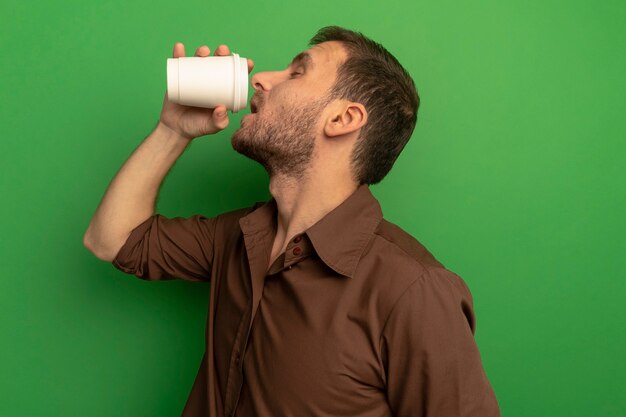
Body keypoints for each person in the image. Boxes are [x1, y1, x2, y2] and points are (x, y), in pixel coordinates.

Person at [83, 25, 500, 417]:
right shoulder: (238, 237)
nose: (261, 78)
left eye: (296, 73)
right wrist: (172, 130)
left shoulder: (413, 292)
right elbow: (111, 239)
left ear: (343, 119)